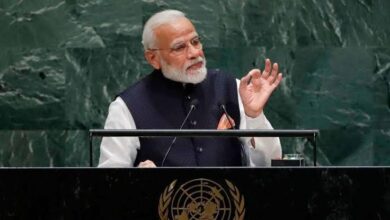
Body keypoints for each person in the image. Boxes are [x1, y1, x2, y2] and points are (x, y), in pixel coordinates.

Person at [98, 9, 283, 168]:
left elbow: (269, 164)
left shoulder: (230, 87)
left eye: (195, 42)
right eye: (179, 48)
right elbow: (110, 183)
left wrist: (254, 116)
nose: (195, 53)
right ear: (153, 59)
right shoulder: (127, 107)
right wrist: (136, 179)